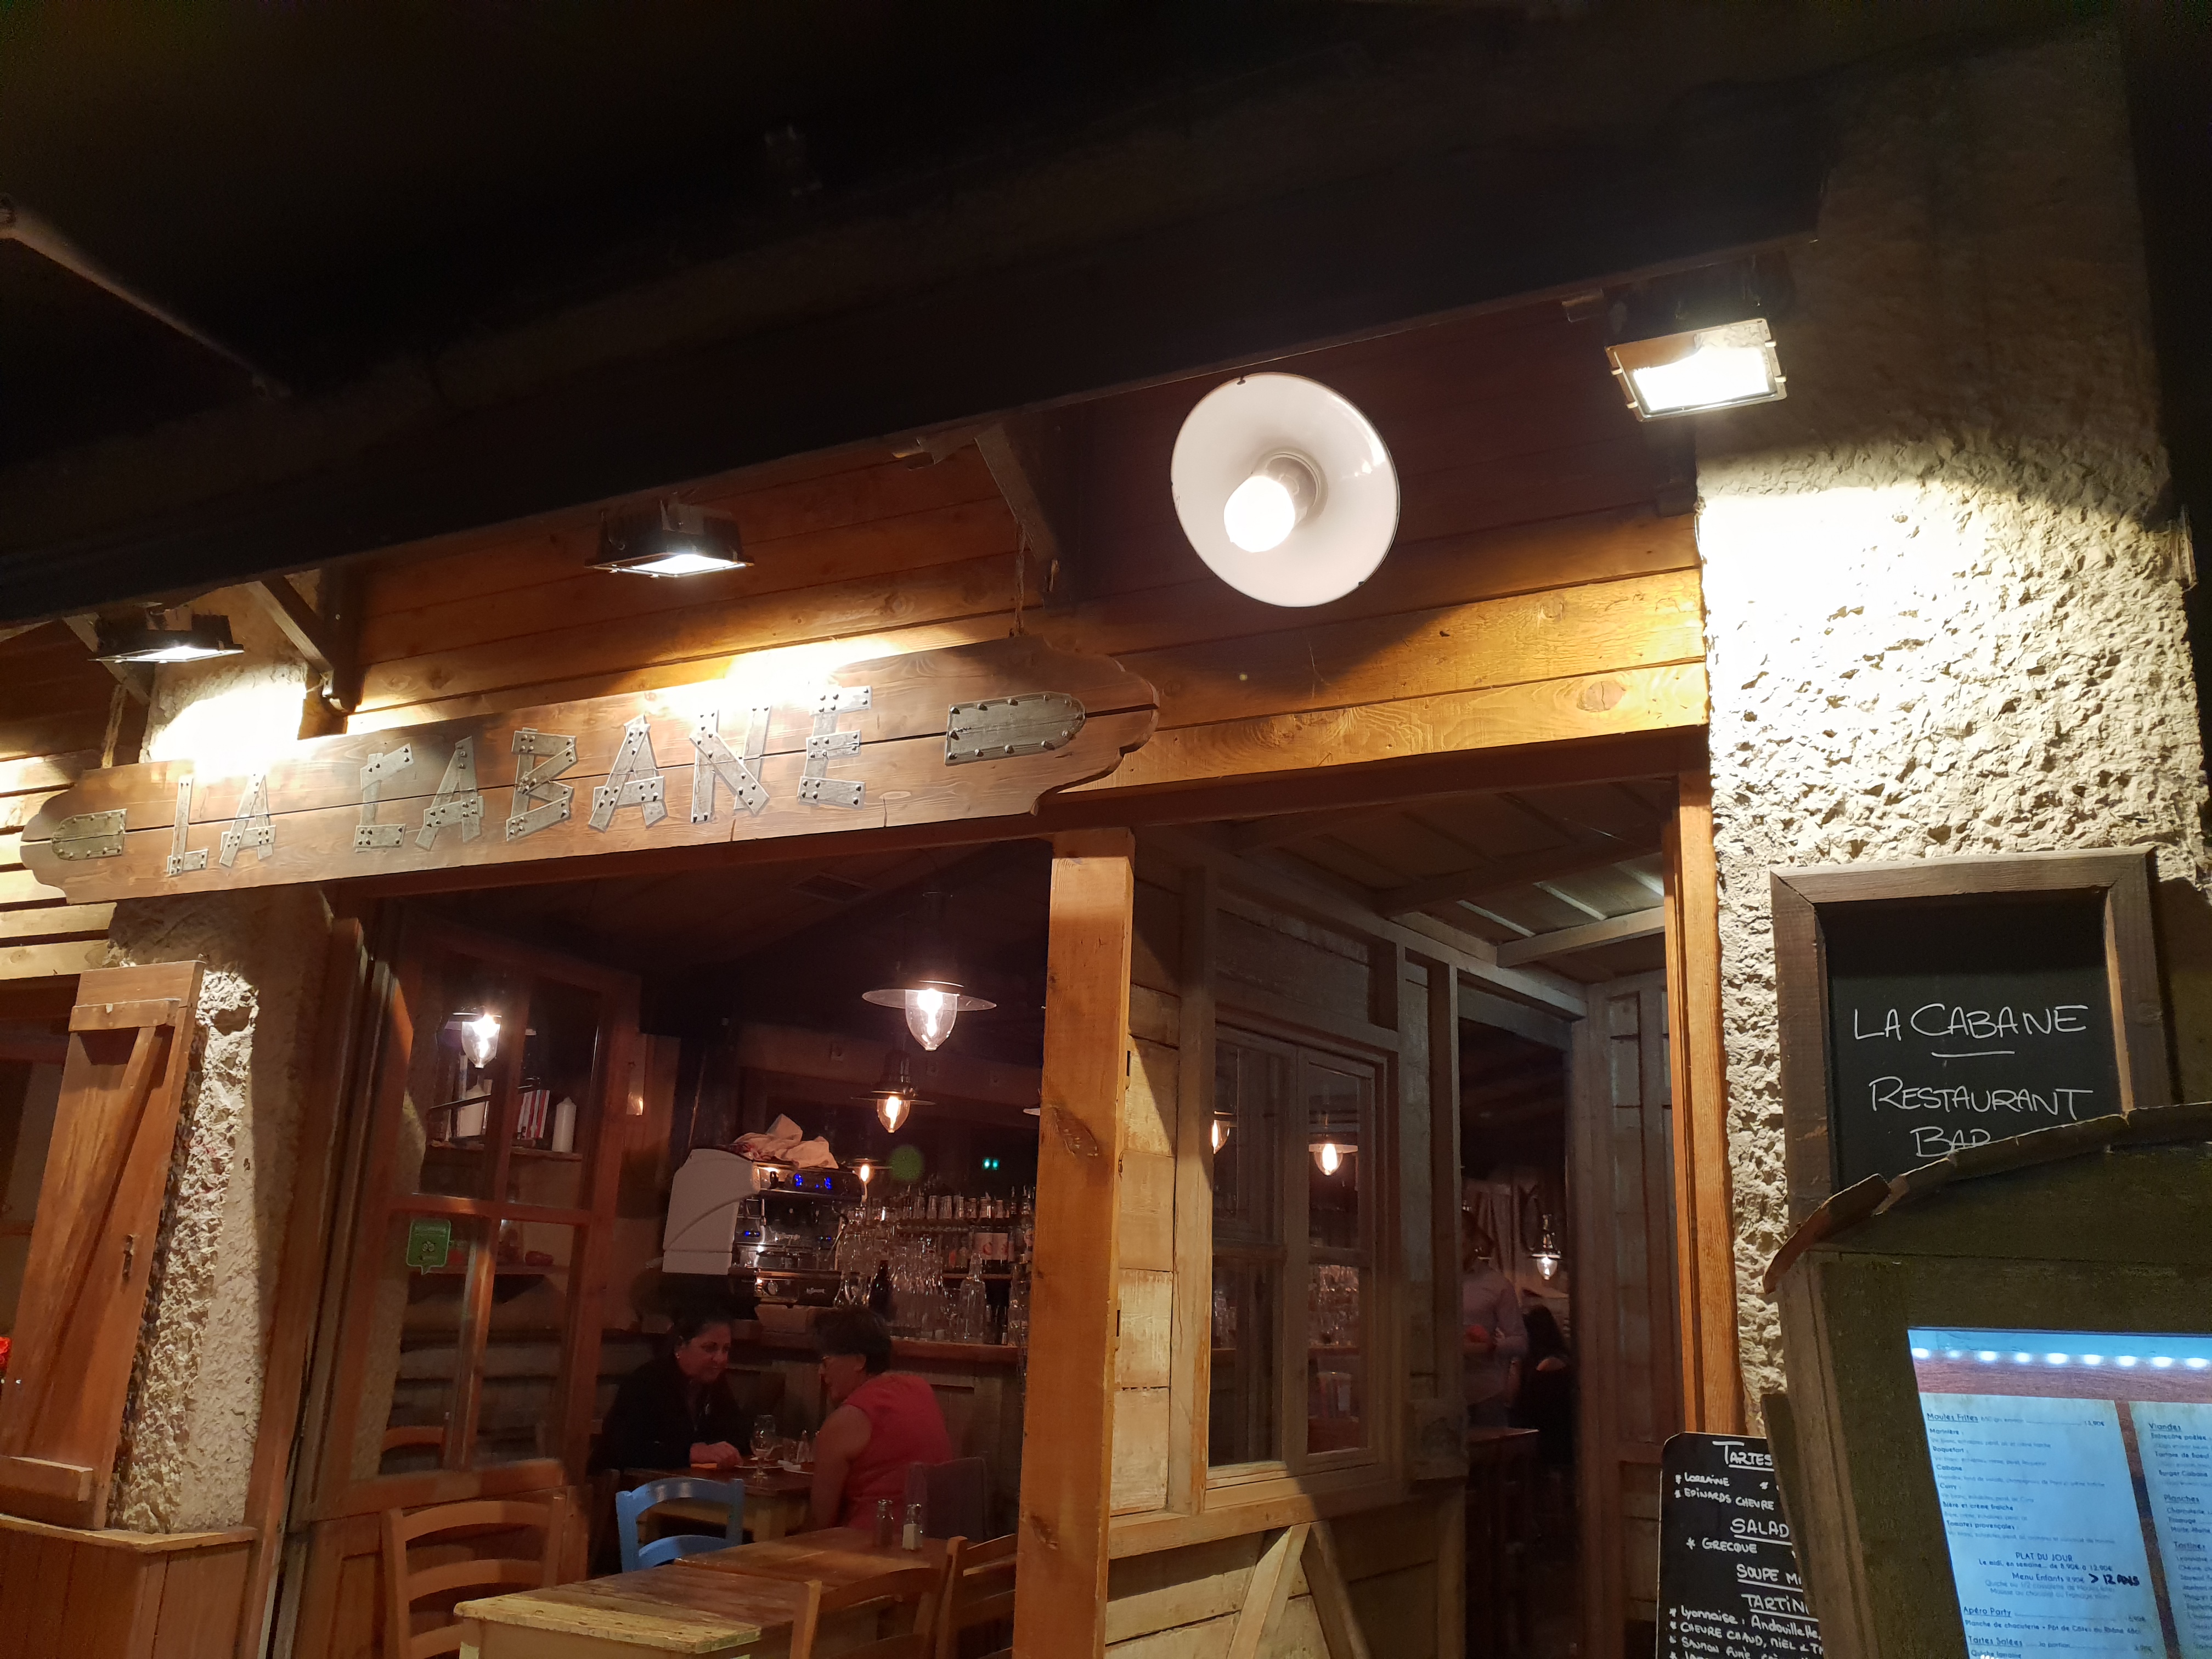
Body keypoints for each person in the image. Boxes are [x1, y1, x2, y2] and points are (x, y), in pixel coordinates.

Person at [808, 1307, 953, 1530]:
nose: (821, 1372)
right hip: (932, 1540)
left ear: (859, 1361)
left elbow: (821, 1521)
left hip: (874, 1543)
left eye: (826, 1362)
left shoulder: (847, 1420)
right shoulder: (920, 1389)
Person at [592, 1306, 770, 1473]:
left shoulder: (715, 1387)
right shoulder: (648, 1381)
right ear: (680, 1345)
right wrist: (690, 1453)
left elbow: (739, 1437)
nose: (720, 1359)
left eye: (726, 1350)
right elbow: (622, 1450)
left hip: (684, 1487)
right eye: (710, 1348)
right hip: (626, 1490)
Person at [1461, 1224, 1528, 1430]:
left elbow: (1520, 1341)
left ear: (1474, 1243)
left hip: (1483, 1392)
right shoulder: (1430, 1279)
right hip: (1439, 1391)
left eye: (1461, 1244)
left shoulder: (1497, 1285)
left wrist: (1491, 1346)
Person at [1510, 1303, 1575, 1465]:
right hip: (1561, 1433)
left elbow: (1523, 1404)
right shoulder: (1563, 1358)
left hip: (1545, 1437)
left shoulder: (1546, 1366)